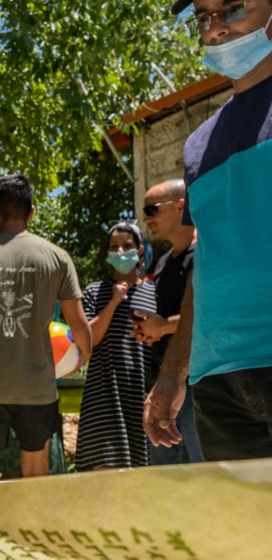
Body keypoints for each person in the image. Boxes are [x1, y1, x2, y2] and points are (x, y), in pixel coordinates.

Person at [145, 0, 272, 461]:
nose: (215, 26)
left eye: (233, 8)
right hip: (219, 380)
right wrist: (175, 371)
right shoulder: (199, 144)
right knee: (245, 538)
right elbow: (208, 263)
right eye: (203, 16)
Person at [0, 175, 91, 480]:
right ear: (32, 212)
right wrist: (80, 358)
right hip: (37, 386)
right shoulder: (56, 257)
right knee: (36, 478)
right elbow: (78, 324)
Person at [132, 179, 203, 465]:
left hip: (199, 386)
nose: (146, 219)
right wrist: (149, 331)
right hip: (161, 384)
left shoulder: (205, 254)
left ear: (180, 206)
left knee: (208, 481)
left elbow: (206, 313)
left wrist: (163, 326)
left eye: (152, 209)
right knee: (168, 487)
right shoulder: (161, 263)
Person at [76, 222, 155, 471]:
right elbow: (88, 339)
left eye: (127, 246)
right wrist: (113, 302)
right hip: (104, 399)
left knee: (145, 480)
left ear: (140, 250)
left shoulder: (155, 292)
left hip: (143, 396)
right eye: (114, 246)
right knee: (105, 479)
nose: (120, 251)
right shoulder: (93, 292)